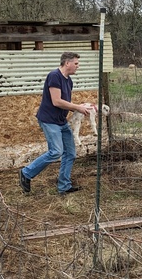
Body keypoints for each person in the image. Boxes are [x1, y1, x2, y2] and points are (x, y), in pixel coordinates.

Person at [19, 52, 91, 195]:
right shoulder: (54, 76)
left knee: (70, 153)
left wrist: (78, 107)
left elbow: (65, 103)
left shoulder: (69, 81)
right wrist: (77, 107)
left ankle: (64, 186)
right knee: (56, 151)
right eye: (76, 63)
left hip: (61, 121)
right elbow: (56, 101)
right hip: (49, 120)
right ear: (67, 63)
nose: (78, 66)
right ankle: (26, 173)